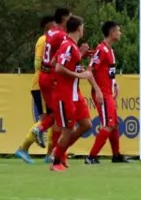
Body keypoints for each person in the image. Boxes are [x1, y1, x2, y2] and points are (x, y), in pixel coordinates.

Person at [50, 16, 102, 172]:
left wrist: (80, 55)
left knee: (86, 125)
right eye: (83, 26)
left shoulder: (71, 46)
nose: (84, 29)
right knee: (67, 129)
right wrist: (79, 75)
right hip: (65, 94)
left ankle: (60, 152)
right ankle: (56, 162)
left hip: (75, 93)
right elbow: (58, 67)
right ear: (79, 28)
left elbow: (54, 62)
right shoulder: (68, 46)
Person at [13, 15, 55, 163]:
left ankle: (50, 154)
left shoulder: (51, 40)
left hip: (48, 85)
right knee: (48, 119)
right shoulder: (43, 41)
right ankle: (23, 148)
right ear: (50, 26)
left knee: (54, 119)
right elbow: (38, 64)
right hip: (41, 85)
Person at [86, 21, 129, 164]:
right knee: (108, 124)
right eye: (118, 30)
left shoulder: (109, 50)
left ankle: (116, 155)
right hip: (102, 93)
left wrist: (114, 84)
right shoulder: (101, 49)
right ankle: (91, 157)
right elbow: (89, 71)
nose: (120, 33)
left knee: (114, 124)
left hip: (108, 92)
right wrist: (97, 90)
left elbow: (108, 72)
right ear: (112, 33)